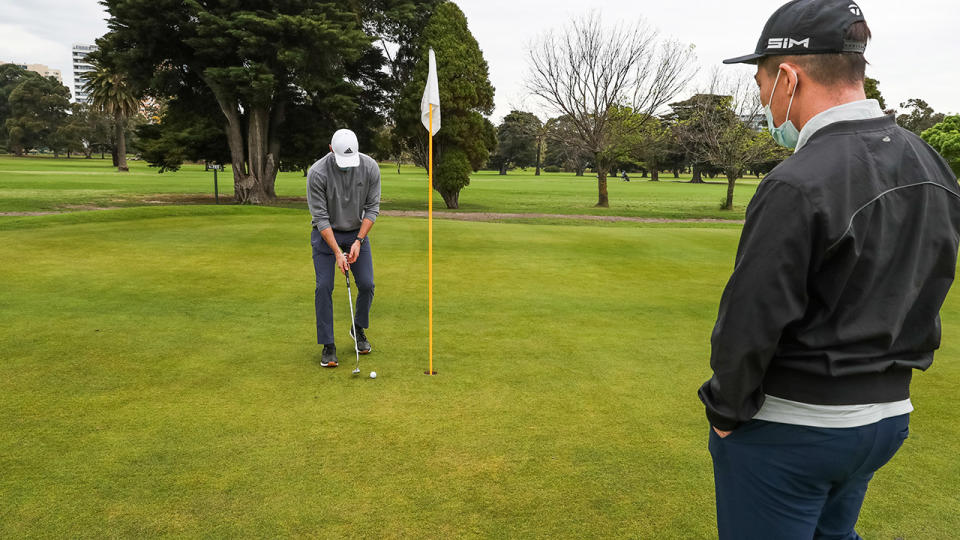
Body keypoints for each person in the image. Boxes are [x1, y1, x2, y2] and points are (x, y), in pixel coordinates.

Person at [699, 1, 960, 538]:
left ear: (788, 77)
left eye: (760, 84)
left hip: (797, 427)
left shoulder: (797, 180)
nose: (764, 102)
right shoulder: (930, 163)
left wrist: (725, 411)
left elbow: (752, 316)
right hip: (886, 419)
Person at [307, 129, 381, 368]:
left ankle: (357, 329)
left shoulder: (370, 168)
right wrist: (338, 252)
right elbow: (320, 218)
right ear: (331, 149)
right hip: (326, 233)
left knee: (368, 284)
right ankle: (328, 345)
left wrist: (358, 241)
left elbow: (372, 209)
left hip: (357, 233)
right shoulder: (317, 173)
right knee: (324, 287)